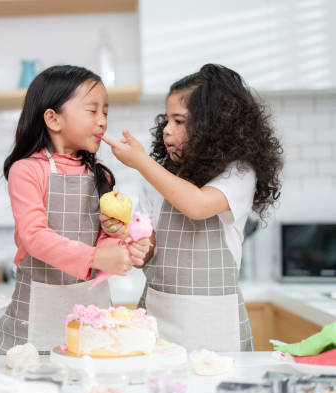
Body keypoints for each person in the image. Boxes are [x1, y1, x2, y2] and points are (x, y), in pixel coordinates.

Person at [101, 64, 283, 352]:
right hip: (157, 320)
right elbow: (150, 244)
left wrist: (141, 162)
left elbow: (197, 205)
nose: (167, 131)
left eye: (179, 121)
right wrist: (139, 249)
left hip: (215, 327)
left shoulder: (238, 174)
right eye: (167, 120)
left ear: (214, 126)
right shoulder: (158, 178)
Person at [0, 65, 141, 355]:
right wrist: (96, 256)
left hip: (91, 313)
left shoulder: (101, 176)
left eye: (105, 113)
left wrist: (113, 235)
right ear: (53, 119)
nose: (102, 122)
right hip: (35, 316)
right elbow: (34, 236)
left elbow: (106, 235)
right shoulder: (26, 171)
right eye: (92, 111)